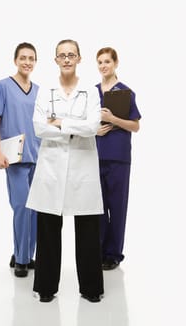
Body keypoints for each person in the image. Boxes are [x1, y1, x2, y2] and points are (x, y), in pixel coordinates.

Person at [26, 39, 104, 303]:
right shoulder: (45, 90)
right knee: (48, 229)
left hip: (83, 167)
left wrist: (59, 122)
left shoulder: (90, 92)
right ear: (56, 60)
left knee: (88, 229)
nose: (67, 59)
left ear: (79, 58)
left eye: (72, 55)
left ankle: (91, 289)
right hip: (52, 167)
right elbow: (39, 127)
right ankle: (46, 288)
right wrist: (73, 126)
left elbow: (93, 126)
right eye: (62, 55)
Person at [0, 42, 40, 277]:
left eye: (31, 58)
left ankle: (27, 255)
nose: (27, 62)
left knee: (36, 210)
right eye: (23, 58)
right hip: (14, 158)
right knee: (21, 207)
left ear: (35, 62)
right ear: (15, 60)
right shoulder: (3, 86)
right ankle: (20, 259)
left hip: (37, 155)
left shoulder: (38, 90)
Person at [95, 47, 141, 270]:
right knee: (99, 207)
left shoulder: (125, 93)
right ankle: (100, 250)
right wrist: (95, 129)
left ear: (115, 63)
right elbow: (83, 124)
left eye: (107, 62)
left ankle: (114, 254)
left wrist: (113, 119)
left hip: (119, 158)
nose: (104, 66)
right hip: (94, 157)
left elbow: (135, 125)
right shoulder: (91, 93)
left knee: (118, 206)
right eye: (100, 62)